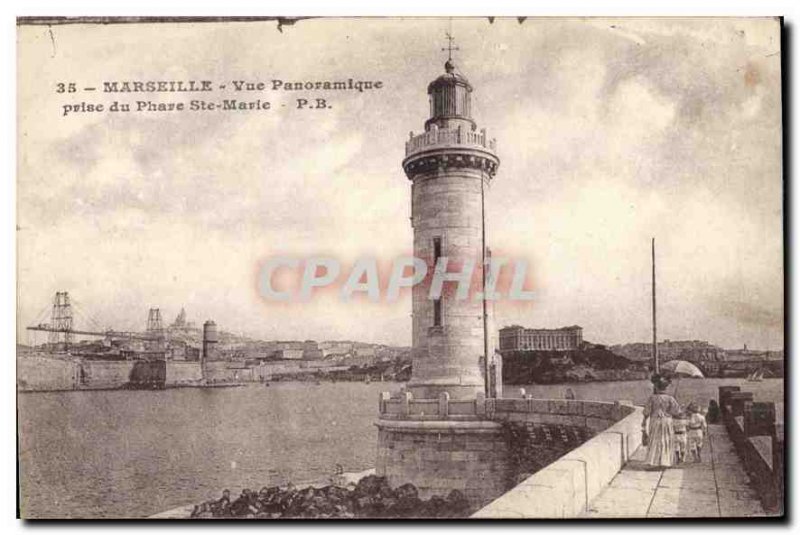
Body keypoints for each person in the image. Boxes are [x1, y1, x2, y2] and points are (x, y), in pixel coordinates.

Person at [642, 374, 681, 468]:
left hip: (655, 420)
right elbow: (677, 412)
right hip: (666, 421)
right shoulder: (670, 398)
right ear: (666, 388)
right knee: (665, 440)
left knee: (655, 439)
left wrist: (644, 421)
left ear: (657, 387)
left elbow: (646, 412)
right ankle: (665, 461)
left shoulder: (652, 398)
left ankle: (654, 462)